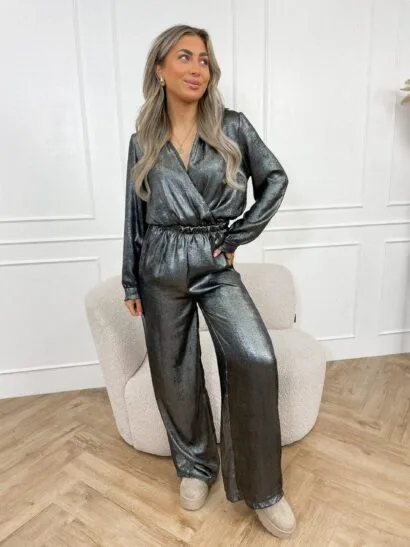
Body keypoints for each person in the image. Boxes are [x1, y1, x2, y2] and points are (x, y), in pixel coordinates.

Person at [121, 24, 296, 539]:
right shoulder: (142, 140)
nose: (198, 68)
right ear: (160, 69)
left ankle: (264, 490)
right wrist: (131, 281)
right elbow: (134, 214)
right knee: (173, 371)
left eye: (204, 59)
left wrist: (238, 234)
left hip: (213, 260)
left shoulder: (233, 127)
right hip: (159, 263)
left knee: (256, 358)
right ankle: (195, 466)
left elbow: (275, 179)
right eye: (185, 57)